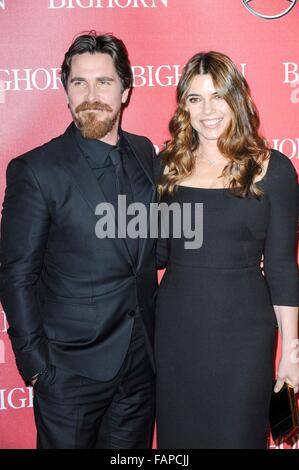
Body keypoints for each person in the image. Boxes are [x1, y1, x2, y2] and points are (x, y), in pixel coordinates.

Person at [0, 32, 158, 449]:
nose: (91, 95)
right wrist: (36, 365)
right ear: (65, 90)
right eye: (78, 82)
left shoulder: (145, 154)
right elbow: (16, 275)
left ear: (125, 91)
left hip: (141, 366)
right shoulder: (36, 170)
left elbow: (155, 244)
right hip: (69, 371)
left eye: (104, 82)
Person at [154, 51, 299, 449]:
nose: (207, 110)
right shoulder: (167, 166)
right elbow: (158, 251)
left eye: (218, 96)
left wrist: (291, 350)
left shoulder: (274, 169)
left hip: (244, 336)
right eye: (195, 98)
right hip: (176, 332)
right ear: (184, 105)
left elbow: (284, 267)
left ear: (237, 98)